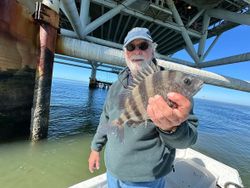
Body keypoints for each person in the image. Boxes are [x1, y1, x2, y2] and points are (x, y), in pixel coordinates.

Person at [88, 27, 198, 188]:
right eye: (131, 47)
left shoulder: (172, 85)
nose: (137, 51)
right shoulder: (115, 87)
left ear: (153, 50)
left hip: (146, 180)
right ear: (125, 52)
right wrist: (95, 148)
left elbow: (188, 139)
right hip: (111, 170)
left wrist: (172, 128)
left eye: (143, 46)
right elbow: (105, 118)